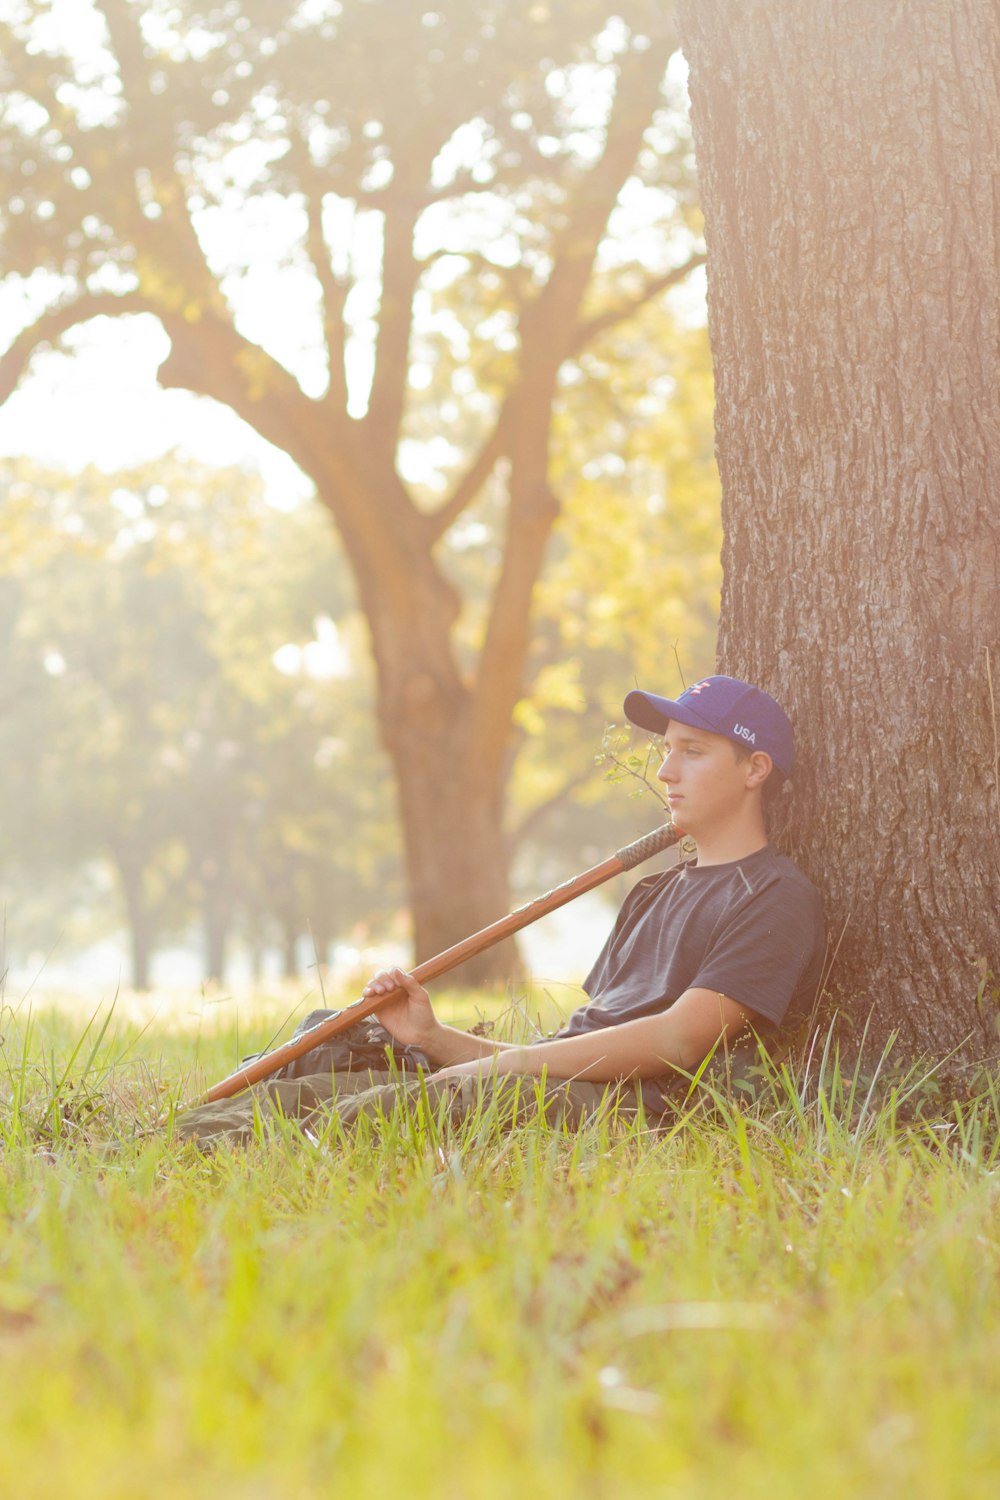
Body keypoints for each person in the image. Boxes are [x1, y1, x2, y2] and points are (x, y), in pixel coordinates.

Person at [177, 675, 825, 1145]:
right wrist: (436, 1040)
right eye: (667, 749)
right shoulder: (656, 892)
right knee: (323, 1056)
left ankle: (206, 1152)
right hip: (546, 1082)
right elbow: (567, 1046)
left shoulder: (775, 897)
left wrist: (499, 1067)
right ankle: (155, 1145)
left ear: (754, 769)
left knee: (358, 1117)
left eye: (693, 751)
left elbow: (678, 1039)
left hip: (634, 1111)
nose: (665, 773)